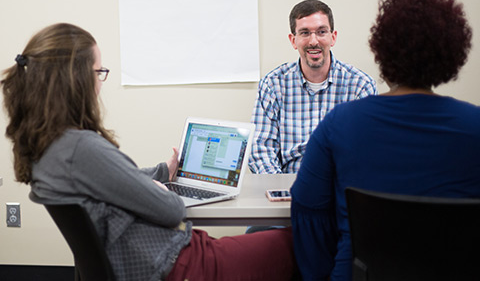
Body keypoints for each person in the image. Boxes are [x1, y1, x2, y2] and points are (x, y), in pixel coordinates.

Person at [1, 23, 298, 281]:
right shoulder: (81, 147)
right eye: (99, 72)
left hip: (152, 261)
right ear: (75, 78)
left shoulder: (49, 147)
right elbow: (172, 209)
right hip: (177, 264)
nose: (99, 83)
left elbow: (112, 183)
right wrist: (157, 190)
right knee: (300, 241)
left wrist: (160, 175)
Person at [290, 0, 480, 280]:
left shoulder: (339, 123)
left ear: (382, 49)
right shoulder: (475, 127)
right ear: (452, 53)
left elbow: (306, 211)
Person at [249, 0, 377, 174]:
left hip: (340, 188)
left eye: (321, 32)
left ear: (333, 37)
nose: (313, 41)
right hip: (289, 187)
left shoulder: (360, 86)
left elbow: (367, 151)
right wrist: (279, 189)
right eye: (305, 33)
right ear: (293, 40)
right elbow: (260, 150)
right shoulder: (273, 84)